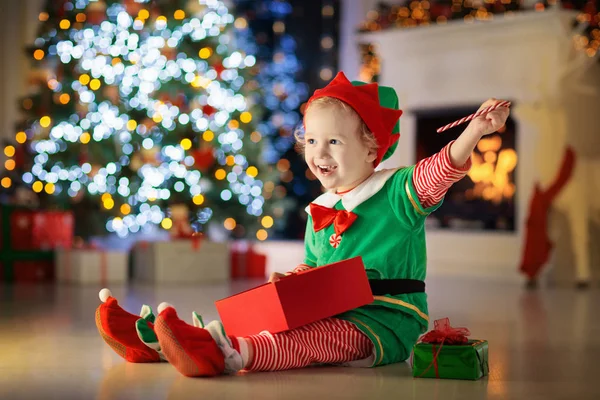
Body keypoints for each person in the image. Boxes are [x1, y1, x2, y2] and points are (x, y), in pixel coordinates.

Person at [95, 71, 510, 377]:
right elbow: (314, 267)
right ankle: (163, 341)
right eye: (311, 140)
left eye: (334, 141)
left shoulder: (398, 191)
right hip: (329, 306)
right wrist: (291, 284)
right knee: (259, 309)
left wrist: (473, 131)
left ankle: (234, 353)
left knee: (312, 340)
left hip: (382, 320)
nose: (318, 153)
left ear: (371, 149)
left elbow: (440, 170)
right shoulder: (320, 209)